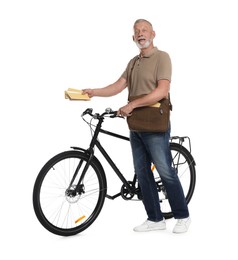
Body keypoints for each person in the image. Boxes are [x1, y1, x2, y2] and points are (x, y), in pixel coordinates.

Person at [83, 19, 191, 233]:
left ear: (153, 34)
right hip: (136, 125)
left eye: (144, 30)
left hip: (155, 122)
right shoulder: (133, 62)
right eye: (137, 32)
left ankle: (182, 215)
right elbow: (118, 86)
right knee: (142, 172)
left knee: (165, 171)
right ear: (133, 38)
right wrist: (94, 92)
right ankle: (155, 219)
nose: (141, 34)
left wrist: (132, 104)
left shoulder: (162, 57)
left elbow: (161, 91)